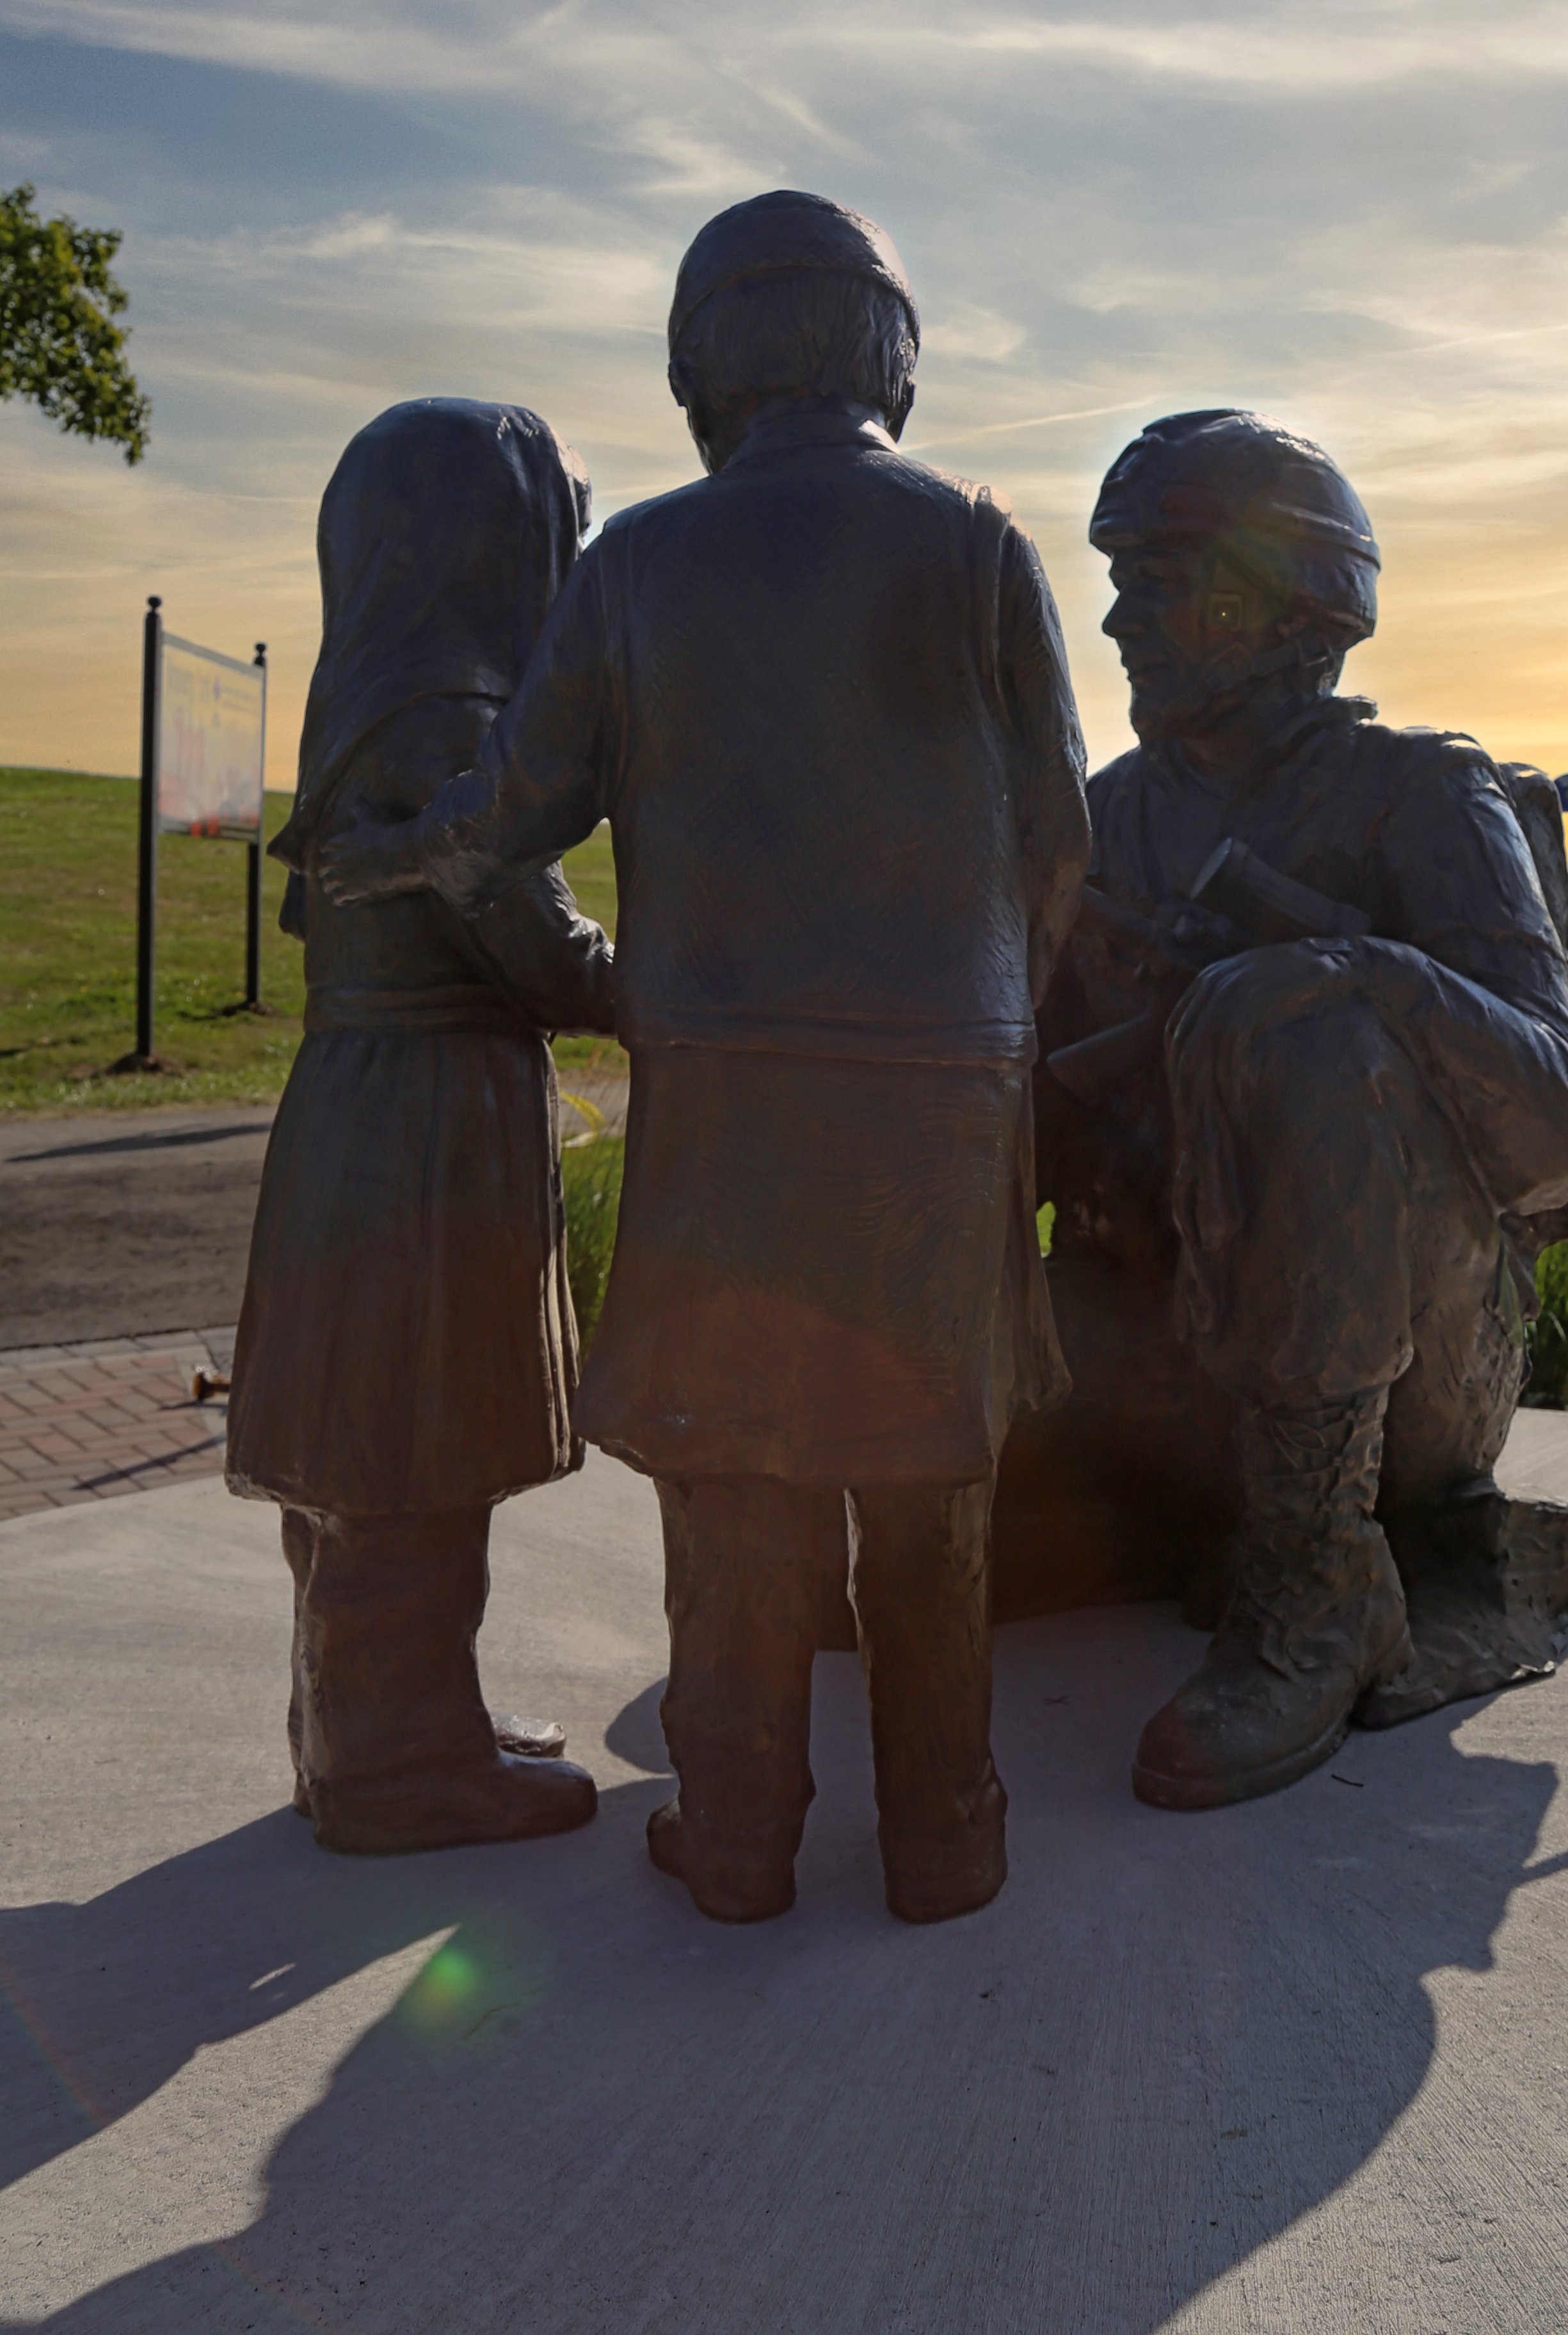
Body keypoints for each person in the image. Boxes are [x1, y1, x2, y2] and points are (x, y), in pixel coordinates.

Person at [321, 193, 1090, 1926]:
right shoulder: (979, 543)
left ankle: (737, 1835)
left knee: (736, 1473)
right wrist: (986, 1021)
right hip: (940, 1096)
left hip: (728, 1095)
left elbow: (517, 808)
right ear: (890, 354)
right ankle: (946, 1835)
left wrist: (402, 843)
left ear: (701, 368)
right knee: (930, 1484)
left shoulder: (639, 561)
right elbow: (1057, 834)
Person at [1024, 409, 1568, 1811]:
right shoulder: (1104, 819)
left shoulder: (1420, 794)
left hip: (1402, 1384)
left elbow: (1555, 1128)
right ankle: (1103, 1491)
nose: (1115, 619)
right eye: (1115, 576)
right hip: (1154, 1338)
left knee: (1303, 1028)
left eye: (1158, 576)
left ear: (1287, 603)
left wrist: (1360, 973)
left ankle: (1317, 1583)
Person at [228, 397, 612, 1854]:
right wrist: (682, 995)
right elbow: (536, 945)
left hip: (355, 1107)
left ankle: (371, 1726)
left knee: (354, 1453)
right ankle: (401, 1769)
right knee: (415, 1444)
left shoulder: (364, 700)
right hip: (430, 1123)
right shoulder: (457, 716)